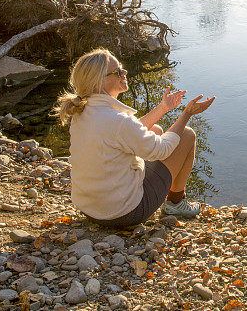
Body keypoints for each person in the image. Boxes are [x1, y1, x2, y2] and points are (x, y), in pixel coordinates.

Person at [55, 48, 215, 228]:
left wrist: (163, 108)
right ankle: (176, 203)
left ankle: (165, 198)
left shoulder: (83, 112)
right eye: (117, 72)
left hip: (90, 209)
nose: (124, 73)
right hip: (124, 214)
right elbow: (162, 149)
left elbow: (125, 132)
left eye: (122, 68)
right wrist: (186, 113)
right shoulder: (117, 121)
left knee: (154, 129)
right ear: (98, 82)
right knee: (186, 135)